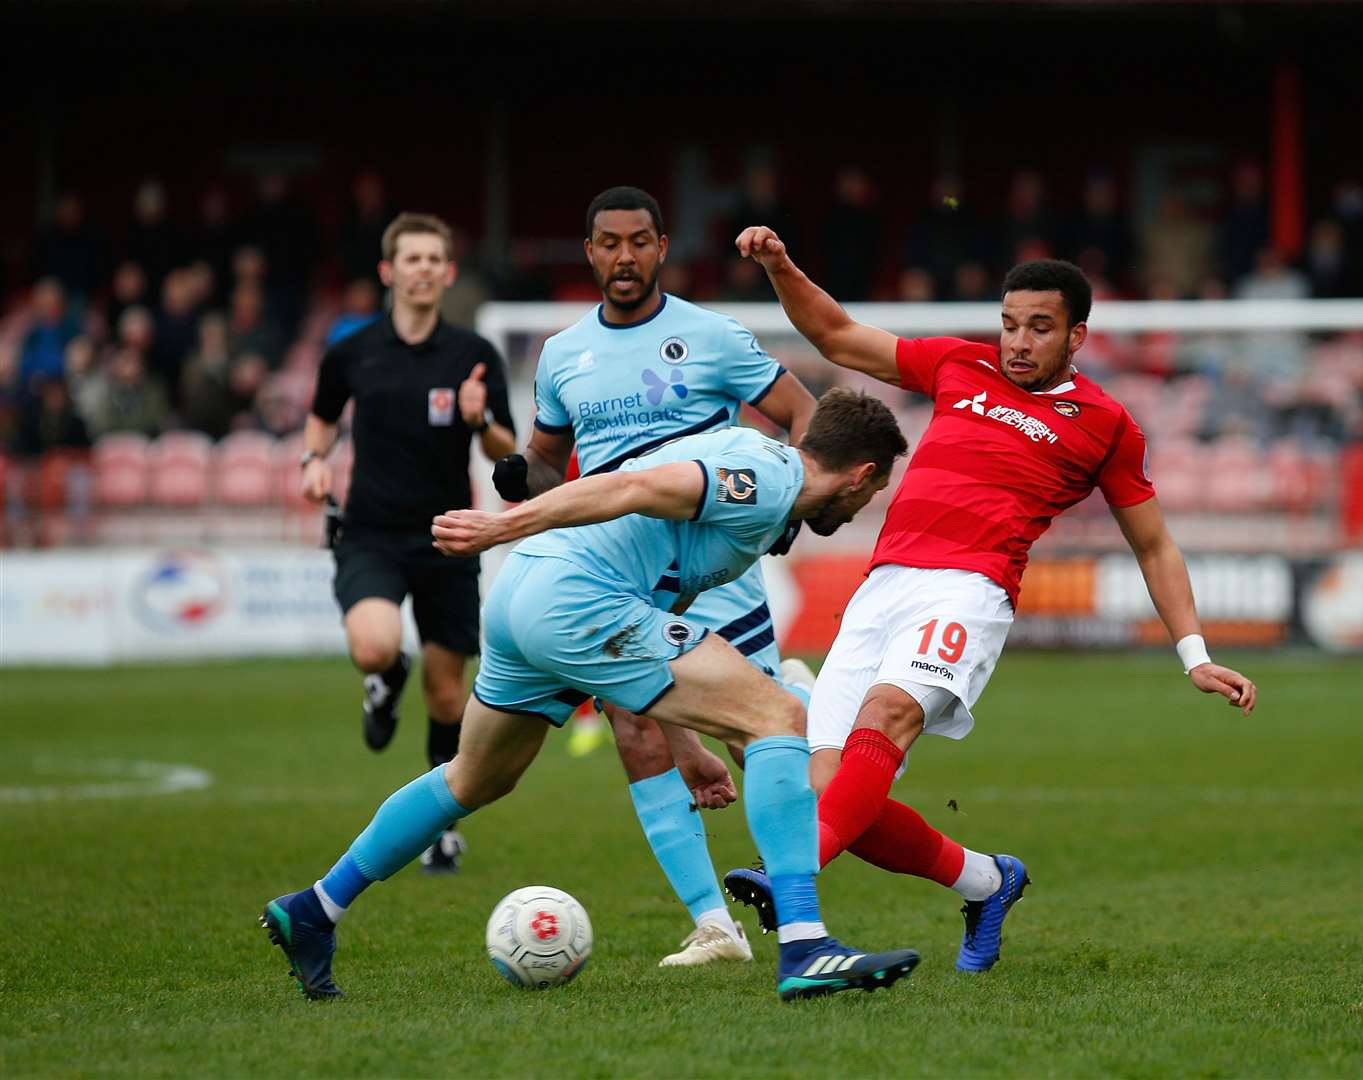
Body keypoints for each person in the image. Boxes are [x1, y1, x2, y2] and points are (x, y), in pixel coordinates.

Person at [261, 391, 922, 1003]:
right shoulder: (767, 483)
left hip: (529, 596)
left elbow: (662, 608)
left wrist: (685, 745)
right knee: (779, 714)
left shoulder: (760, 473)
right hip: (574, 596)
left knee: (474, 778)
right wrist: (501, 527)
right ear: (862, 475)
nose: (867, 506)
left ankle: (316, 908)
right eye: (876, 492)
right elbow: (630, 486)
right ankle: (806, 945)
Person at [722, 226, 1258, 973]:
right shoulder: (956, 362)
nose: (1018, 341)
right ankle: (989, 881)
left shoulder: (1105, 425)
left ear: (1077, 334)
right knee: (844, 800)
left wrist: (1194, 654)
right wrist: (781, 267)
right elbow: (836, 333)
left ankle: (789, 871)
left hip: (969, 591)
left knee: (888, 718)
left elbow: (1154, 545)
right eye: (1009, 323)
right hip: (882, 587)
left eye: (1039, 327)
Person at [490, 186, 818, 967]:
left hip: (715, 565)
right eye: (610, 242)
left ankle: (806, 893)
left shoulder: (711, 335)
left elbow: (804, 413)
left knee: (760, 736)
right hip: (618, 572)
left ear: (663, 247)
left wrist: (789, 504)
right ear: (590, 251)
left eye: (640, 241)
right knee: (636, 730)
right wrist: (517, 473)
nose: (625, 256)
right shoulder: (563, 354)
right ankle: (715, 925)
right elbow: (546, 460)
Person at [300, 212, 517, 871]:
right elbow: (321, 419)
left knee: (449, 696)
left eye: (434, 259)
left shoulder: (473, 356)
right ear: (389, 272)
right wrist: (313, 462)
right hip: (370, 532)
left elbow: (508, 454)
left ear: (448, 273)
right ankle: (387, 673)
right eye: (411, 259)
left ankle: (441, 823)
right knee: (373, 646)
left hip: (449, 537)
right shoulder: (352, 351)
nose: (423, 269)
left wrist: (483, 423)